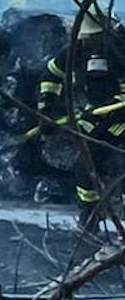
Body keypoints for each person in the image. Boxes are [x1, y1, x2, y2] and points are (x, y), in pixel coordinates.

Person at [39, 13, 125, 231]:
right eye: (87, 37)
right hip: (95, 114)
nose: (91, 42)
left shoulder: (120, 50)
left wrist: (110, 110)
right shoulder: (76, 51)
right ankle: (91, 214)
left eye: (95, 37)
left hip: (121, 114)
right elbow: (51, 74)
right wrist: (46, 109)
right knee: (85, 162)